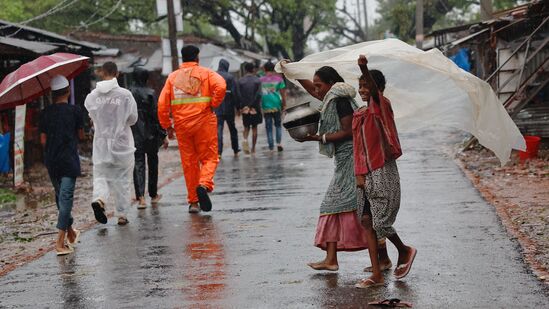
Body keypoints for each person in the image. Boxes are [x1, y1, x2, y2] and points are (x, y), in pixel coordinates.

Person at [285, 64, 369, 271]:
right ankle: (333, 259)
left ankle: (336, 259)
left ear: (331, 84)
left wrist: (317, 137)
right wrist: (294, 74)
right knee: (361, 210)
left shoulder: (339, 101)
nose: (316, 90)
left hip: (351, 160)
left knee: (340, 207)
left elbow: (348, 131)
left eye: (319, 85)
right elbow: (312, 90)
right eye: (315, 85)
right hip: (343, 160)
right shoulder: (333, 96)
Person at [353, 55, 417, 288]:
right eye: (359, 86)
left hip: (381, 169)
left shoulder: (381, 106)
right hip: (364, 172)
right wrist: (358, 173)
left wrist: (364, 68)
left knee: (380, 221)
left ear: (377, 88)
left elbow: (376, 97)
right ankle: (377, 275)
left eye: (366, 85)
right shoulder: (359, 114)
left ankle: (404, 249)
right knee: (368, 221)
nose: (362, 89)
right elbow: (358, 148)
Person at [158, 45, 226, 213]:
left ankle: (194, 202)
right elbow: (221, 86)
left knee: (189, 164)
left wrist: (167, 126)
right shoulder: (207, 74)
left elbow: (161, 105)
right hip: (204, 122)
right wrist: (213, 103)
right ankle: (204, 184)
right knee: (210, 158)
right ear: (197, 57)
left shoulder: (172, 78)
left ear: (182, 58)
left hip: (182, 126)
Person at [85, 62, 138, 225]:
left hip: (101, 143)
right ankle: (121, 214)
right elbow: (133, 119)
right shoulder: (125, 95)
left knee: (101, 176)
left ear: (101, 73)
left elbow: (91, 116)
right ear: (118, 73)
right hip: (122, 144)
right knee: (123, 179)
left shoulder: (92, 96)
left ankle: (100, 199)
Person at [39, 75, 84, 255]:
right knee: (65, 199)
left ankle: (71, 234)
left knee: (60, 197)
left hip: (52, 160)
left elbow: (42, 140)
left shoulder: (45, 113)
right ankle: (59, 242)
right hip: (69, 160)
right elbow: (81, 135)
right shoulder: (75, 111)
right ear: (68, 91)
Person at [130, 69, 167, 209]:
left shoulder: (129, 93)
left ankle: (140, 198)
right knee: (153, 163)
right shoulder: (151, 93)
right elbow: (156, 115)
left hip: (134, 134)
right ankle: (153, 194)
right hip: (151, 134)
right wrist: (163, 134)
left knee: (138, 164)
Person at [215, 59, 240, 157]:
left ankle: (219, 152)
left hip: (217, 108)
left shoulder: (213, 76)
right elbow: (235, 94)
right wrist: (238, 107)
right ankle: (235, 149)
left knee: (219, 130)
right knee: (232, 129)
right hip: (229, 108)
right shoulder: (230, 77)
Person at [260, 61, 286, 152]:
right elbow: (283, 93)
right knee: (278, 125)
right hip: (276, 104)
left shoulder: (260, 80)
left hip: (265, 105)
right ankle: (278, 143)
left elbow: (259, 94)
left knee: (268, 127)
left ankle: (271, 147)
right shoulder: (279, 79)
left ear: (264, 69)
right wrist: (284, 105)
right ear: (274, 68)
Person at [238, 62, 262, 154]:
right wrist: (252, 105)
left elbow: (239, 95)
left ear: (245, 70)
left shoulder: (240, 81)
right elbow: (259, 95)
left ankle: (245, 144)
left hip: (245, 108)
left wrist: (244, 106)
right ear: (253, 69)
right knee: (254, 128)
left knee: (246, 127)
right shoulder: (257, 80)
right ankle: (253, 149)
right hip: (255, 108)